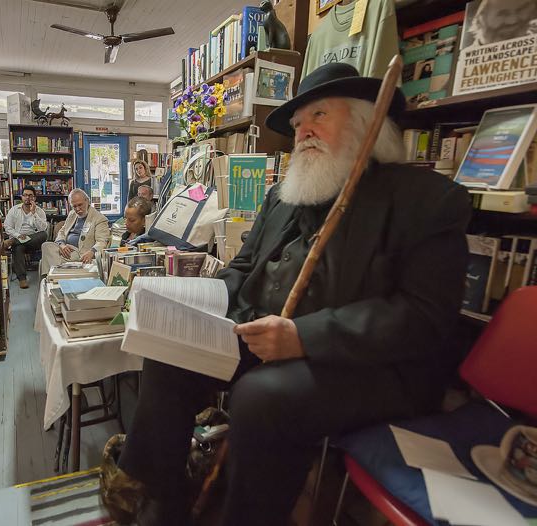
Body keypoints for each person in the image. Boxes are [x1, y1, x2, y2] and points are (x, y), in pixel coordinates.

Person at [104, 63, 471, 525]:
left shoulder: (428, 201)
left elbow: (423, 318)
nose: (304, 133)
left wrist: (303, 337)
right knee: (168, 352)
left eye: (319, 116)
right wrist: (194, 302)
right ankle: (162, 502)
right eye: (298, 125)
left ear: (364, 121)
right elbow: (242, 266)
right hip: (261, 333)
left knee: (260, 397)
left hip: (367, 365)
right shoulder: (284, 196)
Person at [39, 189, 110, 276]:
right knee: (46, 245)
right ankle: (57, 274)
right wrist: (62, 244)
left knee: (47, 260)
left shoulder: (99, 218)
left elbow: (102, 242)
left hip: (81, 252)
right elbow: (62, 231)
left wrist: (92, 251)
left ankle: (51, 276)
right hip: (65, 249)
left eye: (80, 205)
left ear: (87, 201)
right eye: (74, 206)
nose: (78, 209)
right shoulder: (72, 214)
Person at [3, 185, 48, 289]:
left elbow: (43, 228)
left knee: (44, 235)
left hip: (34, 240)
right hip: (20, 239)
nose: (27, 198)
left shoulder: (39, 211)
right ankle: (22, 279)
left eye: (30, 195)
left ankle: (13, 241)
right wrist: (19, 236)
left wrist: (34, 213)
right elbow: (7, 226)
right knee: (18, 248)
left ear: (34, 198)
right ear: (21, 197)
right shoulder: (14, 210)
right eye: (25, 195)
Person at [464, 0, 537, 48]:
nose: (513, 20)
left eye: (520, 10)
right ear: (480, 19)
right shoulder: (462, 61)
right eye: (503, 14)